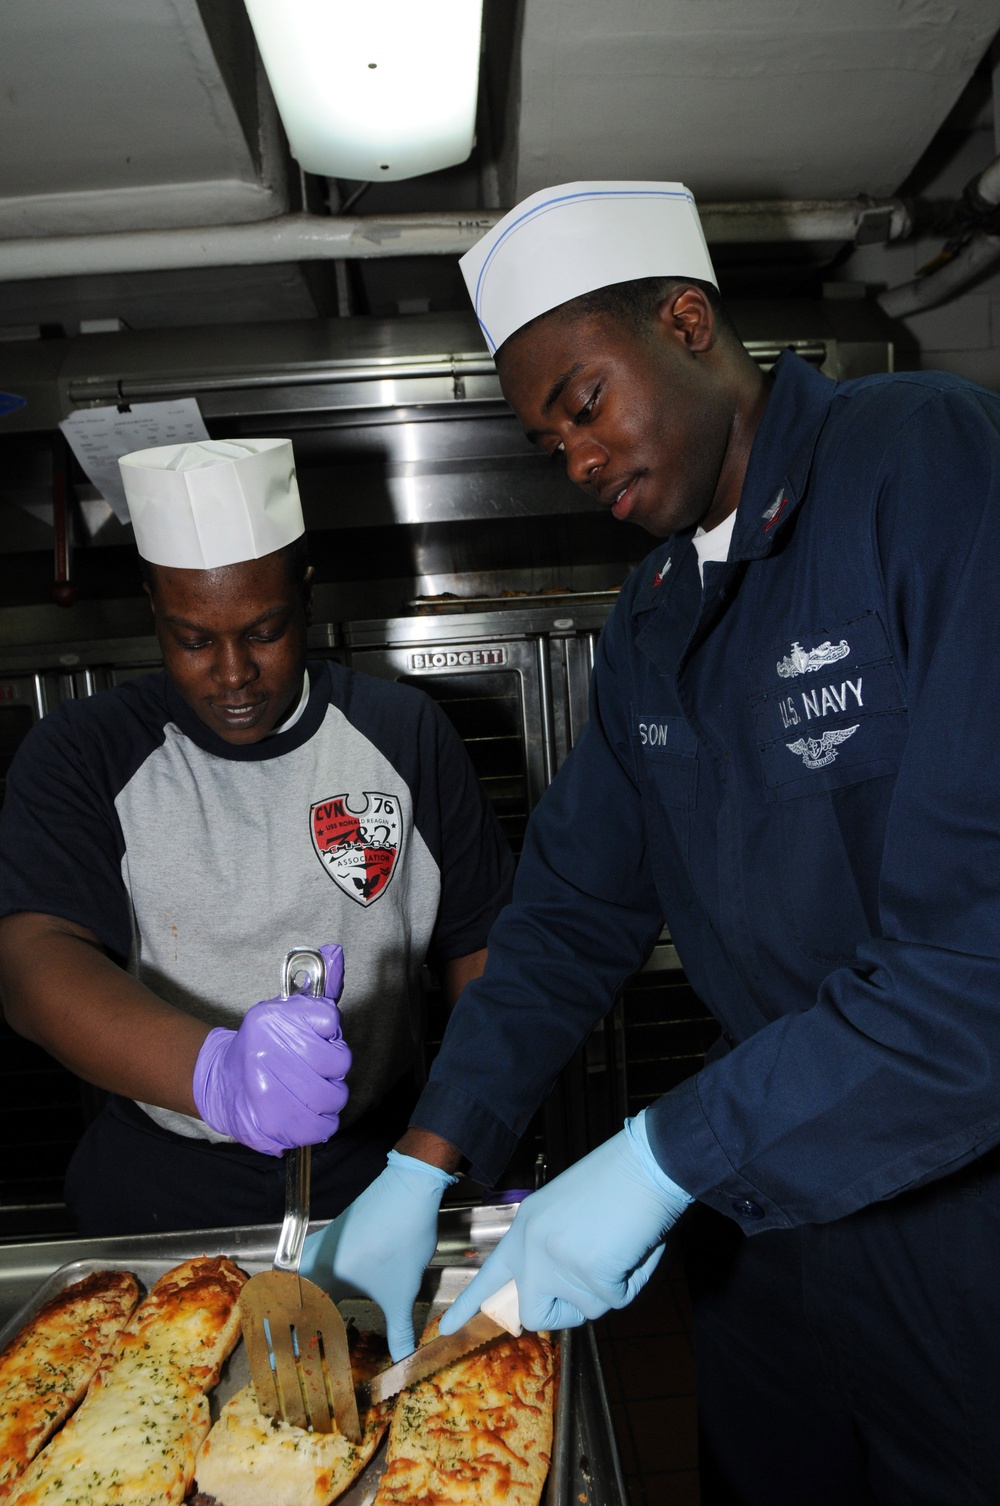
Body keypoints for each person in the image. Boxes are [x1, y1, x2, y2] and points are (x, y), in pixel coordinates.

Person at [301, 182, 1000, 1505]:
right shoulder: (654, 617)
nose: (573, 459)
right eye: (545, 441)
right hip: (765, 1213)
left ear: (686, 322)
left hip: (957, 1199)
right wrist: (424, 1157)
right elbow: (571, 912)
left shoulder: (923, 465)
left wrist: (661, 1153)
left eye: (583, 403)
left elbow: (978, 963)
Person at [0, 437, 513, 1236]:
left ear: (305, 596)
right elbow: (33, 962)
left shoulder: (401, 735)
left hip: (374, 1167)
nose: (234, 672)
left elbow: (480, 952)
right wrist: (216, 1074)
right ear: (153, 611)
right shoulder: (84, 752)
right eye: (194, 640)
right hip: (165, 1181)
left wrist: (462, 1142)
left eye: (264, 631)